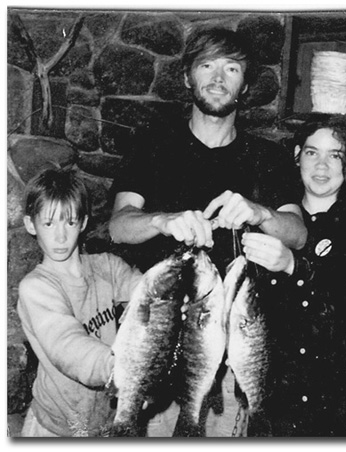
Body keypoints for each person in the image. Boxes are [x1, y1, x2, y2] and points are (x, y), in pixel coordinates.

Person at [109, 27, 307, 437]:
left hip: (233, 357)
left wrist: (260, 211)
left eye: (231, 68)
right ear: (187, 77)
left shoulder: (267, 157)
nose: (218, 79)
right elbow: (119, 225)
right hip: (153, 345)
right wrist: (160, 220)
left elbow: (298, 233)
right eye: (206, 66)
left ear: (246, 85)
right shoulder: (153, 145)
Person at [241, 116, 346, 436]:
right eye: (312, 153)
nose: (321, 165)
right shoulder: (271, 223)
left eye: (335, 155)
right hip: (277, 406)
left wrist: (294, 266)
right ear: (297, 156)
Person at [17, 167, 143, 437]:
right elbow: (68, 347)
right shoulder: (36, 288)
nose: (60, 237)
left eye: (70, 222)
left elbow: (147, 292)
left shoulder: (107, 267)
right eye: (49, 224)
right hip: (56, 428)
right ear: (30, 224)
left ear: (83, 222)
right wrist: (124, 370)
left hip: (106, 422)